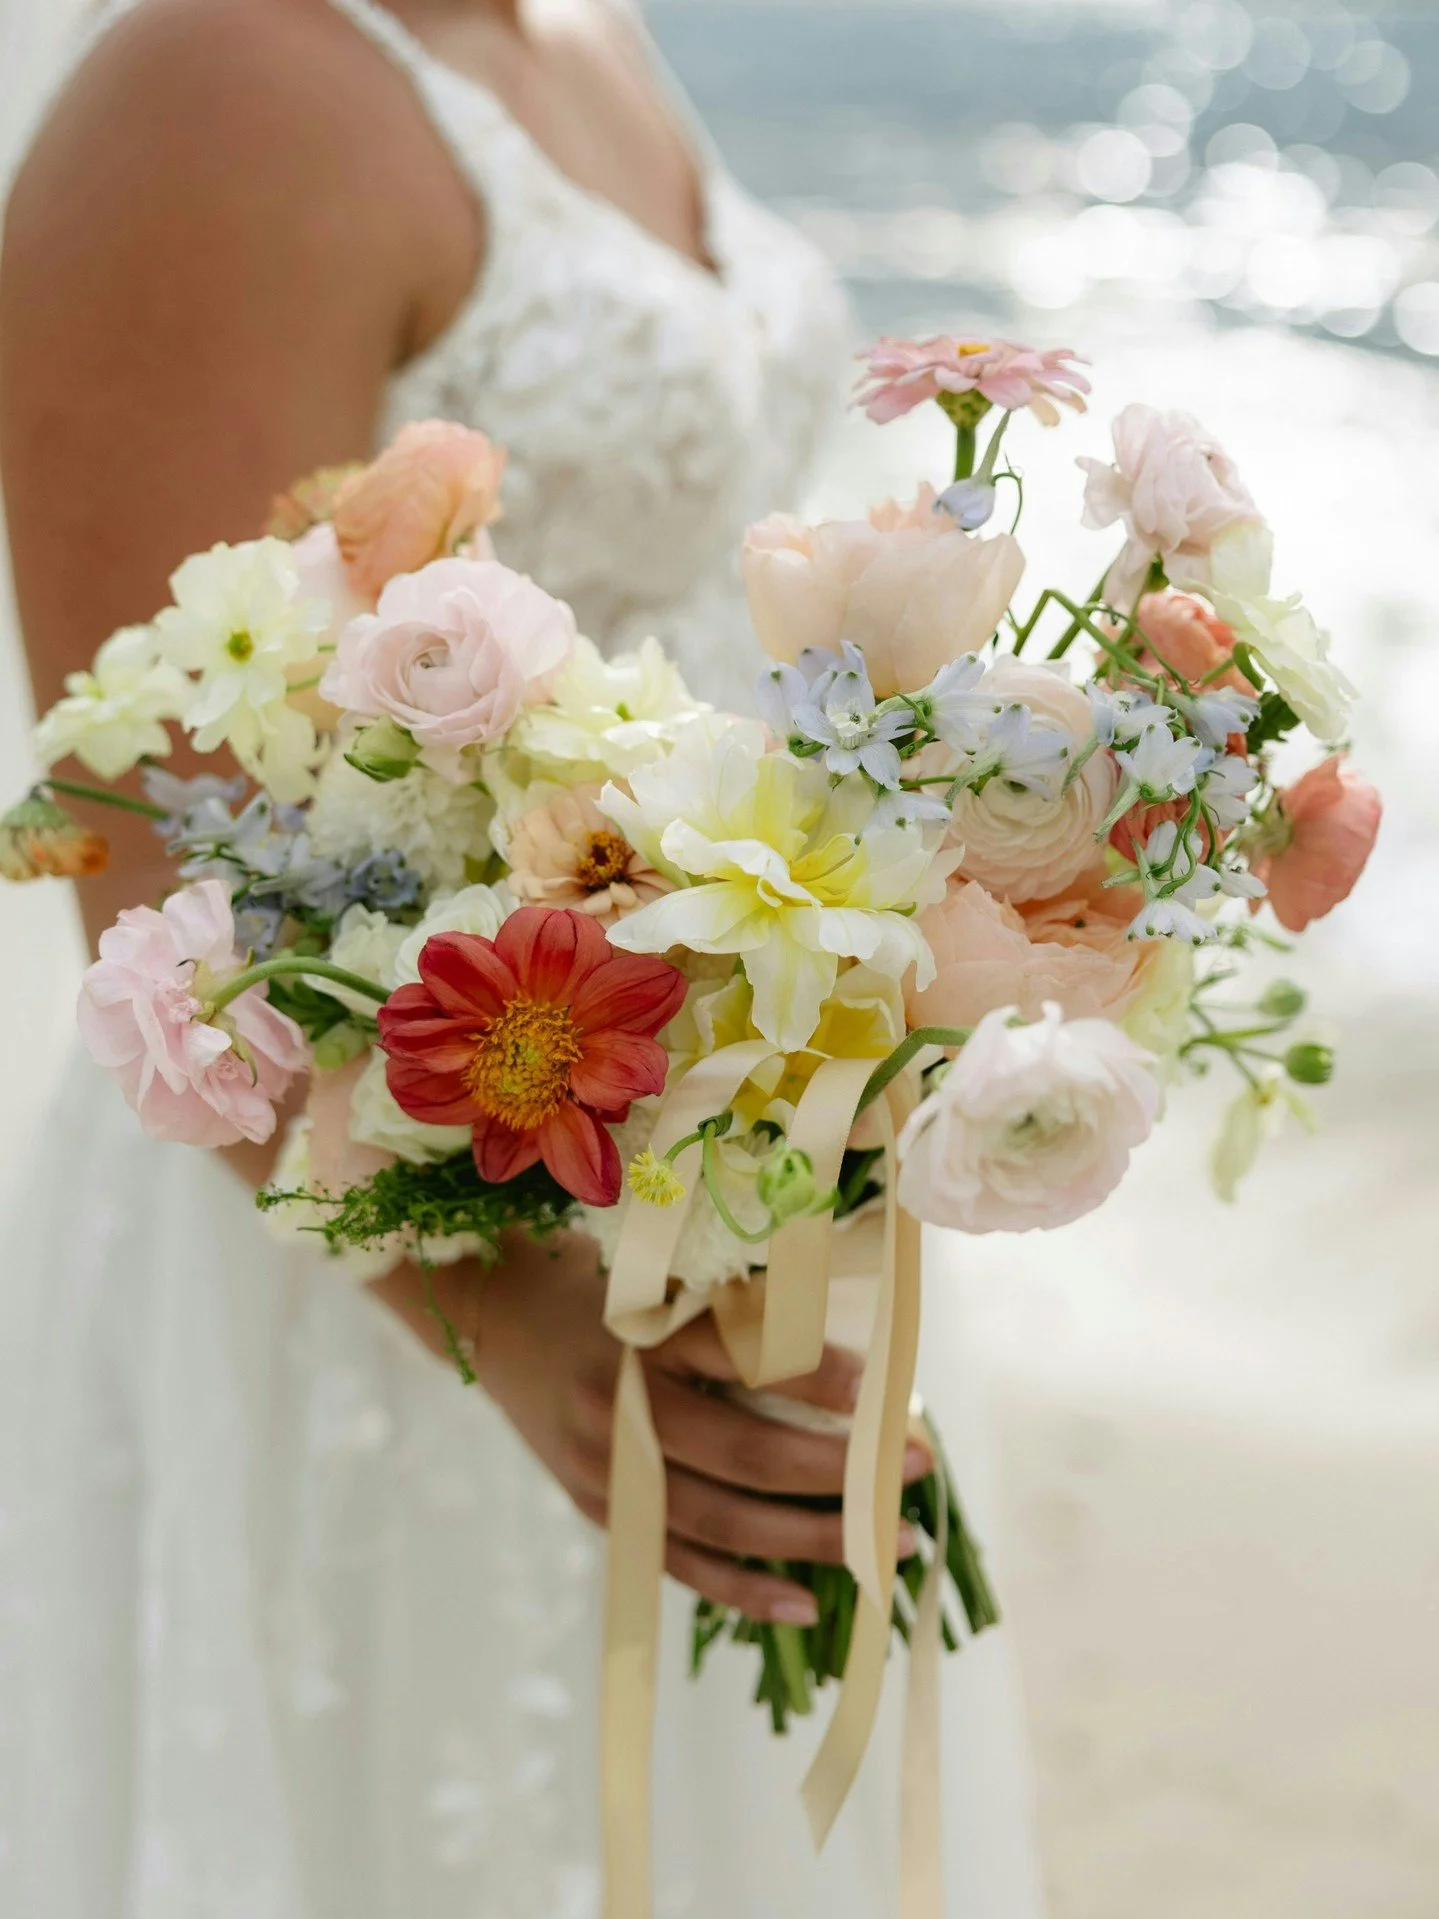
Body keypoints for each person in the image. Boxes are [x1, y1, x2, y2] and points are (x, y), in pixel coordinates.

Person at [0, 2, 929, 1914]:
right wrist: (502, 1323)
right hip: (392, 1238)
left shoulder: (580, 32)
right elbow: (162, 869)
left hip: (699, 1152)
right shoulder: (218, 81)